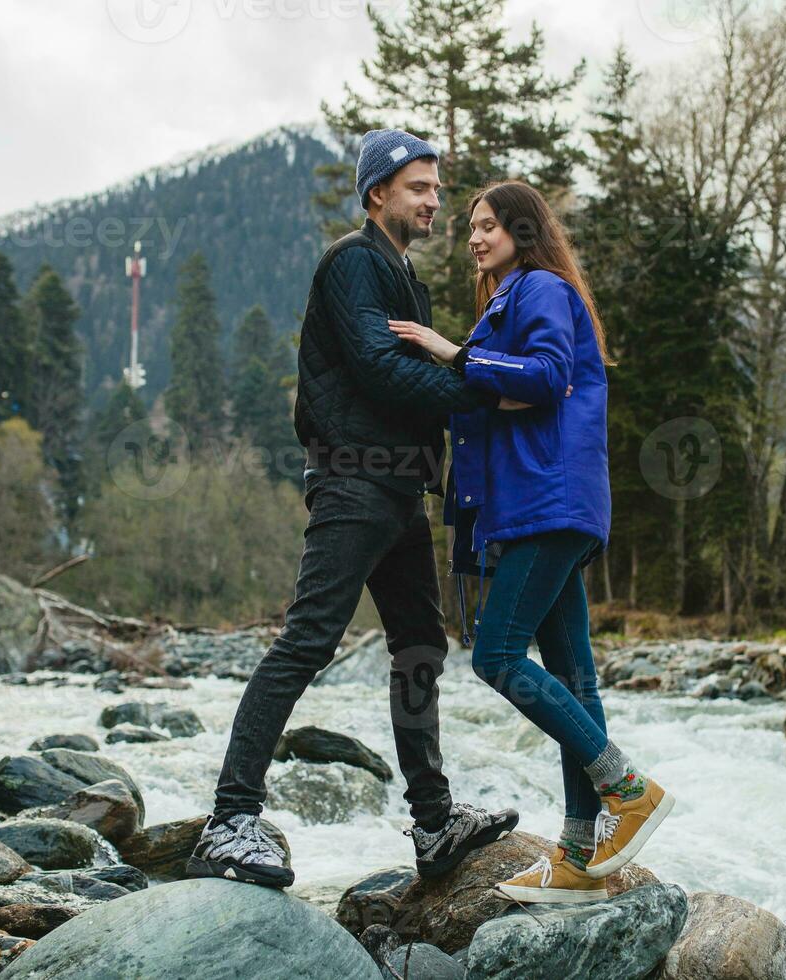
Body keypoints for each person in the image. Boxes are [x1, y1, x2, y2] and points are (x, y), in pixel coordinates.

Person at [187, 130, 518, 888]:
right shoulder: (353, 264)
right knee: (307, 641)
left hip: (402, 491)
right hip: (354, 479)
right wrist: (482, 389)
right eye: (419, 188)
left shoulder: (405, 278)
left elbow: (411, 374)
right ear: (377, 195)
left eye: (437, 189)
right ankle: (230, 817)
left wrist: (469, 386)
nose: (435, 200)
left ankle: (434, 825)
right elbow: (378, 369)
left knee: (418, 650)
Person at [387, 180, 675, 903]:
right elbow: (509, 393)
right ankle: (583, 853)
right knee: (575, 676)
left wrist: (454, 355)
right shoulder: (509, 301)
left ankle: (628, 789)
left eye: (488, 226)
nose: (476, 239)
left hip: (549, 504)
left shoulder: (540, 288)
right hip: (542, 505)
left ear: (521, 228)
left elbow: (545, 379)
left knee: (497, 655)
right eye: (471, 229)